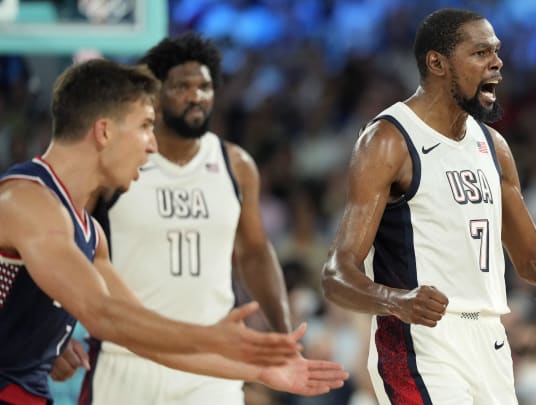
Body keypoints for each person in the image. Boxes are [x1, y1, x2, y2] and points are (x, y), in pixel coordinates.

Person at [320, 8, 536, 405]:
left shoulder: (493, 147)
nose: (497, 62)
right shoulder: (389, 140)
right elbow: (337, 274)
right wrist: (396, 301)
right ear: (437, 62)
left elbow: (534, 260)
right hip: (420, 342)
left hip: (490, 340)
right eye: (480, 52)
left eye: (497, 51)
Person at [0, 59, 347, 405]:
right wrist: (210, 337)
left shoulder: (90, 232)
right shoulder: (27, 201)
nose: (152, 145)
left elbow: (141, 332)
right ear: (104, 131)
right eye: (145, 126)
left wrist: (255, 370)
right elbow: (102, 315)